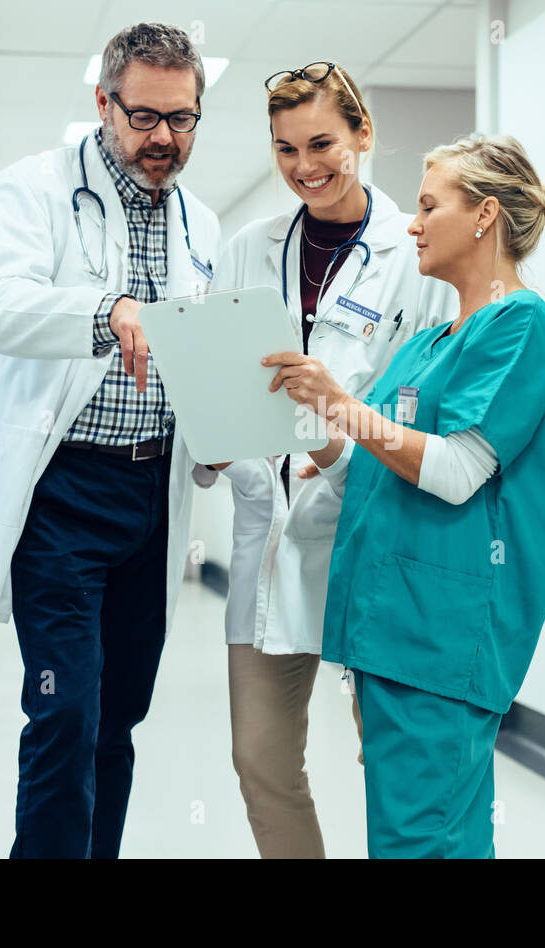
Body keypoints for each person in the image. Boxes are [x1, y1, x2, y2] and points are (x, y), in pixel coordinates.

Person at [263, 134, 545, 858]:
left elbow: (457, 469)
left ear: (485, 216)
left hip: (441, 637)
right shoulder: (429, 343)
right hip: (390, 633)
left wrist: (341, 405)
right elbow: (376, 469)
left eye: (429, 205)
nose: (411, 223)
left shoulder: (523, 327)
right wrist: (313, 432)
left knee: (421, 841)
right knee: (430, 837)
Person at [0, 23, 220, 858]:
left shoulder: (199, 224)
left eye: (182, 119)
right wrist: (106, 313)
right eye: (143, 117)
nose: (163, 139)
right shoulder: (30, 191)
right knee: (65, 708)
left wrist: (213, 428)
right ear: (103, 102)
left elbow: (196, 350)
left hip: (150, 498)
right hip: (62, 498)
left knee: (119, 714)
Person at [192, 61, 458, 858]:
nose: (304, 167)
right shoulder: (249, 250)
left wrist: (341, 433)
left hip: (376, 530)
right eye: (284, 149)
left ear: (362, 134)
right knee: (262, 761)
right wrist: (222, 446)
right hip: (272, 530)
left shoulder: (415, 257)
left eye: (321, 143)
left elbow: (431, 409)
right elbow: (217, 378)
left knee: (393, 759)